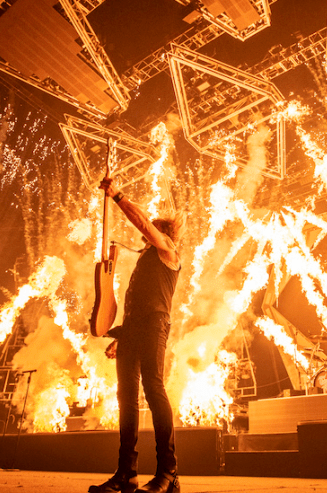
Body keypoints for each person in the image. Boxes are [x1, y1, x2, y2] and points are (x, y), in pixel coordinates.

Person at [89, 178, 183, 493]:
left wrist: (116, 195)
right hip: (133, 328)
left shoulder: (168, 250)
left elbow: (142, 222)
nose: (147, 232)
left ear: (165, 233)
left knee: (154, 388)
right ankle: (126, 474)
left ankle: (168, 474)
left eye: (154, 229)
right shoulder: (145, 258)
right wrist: (122, 336)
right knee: (125, 397)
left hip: (155, 325)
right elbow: (136, 303)